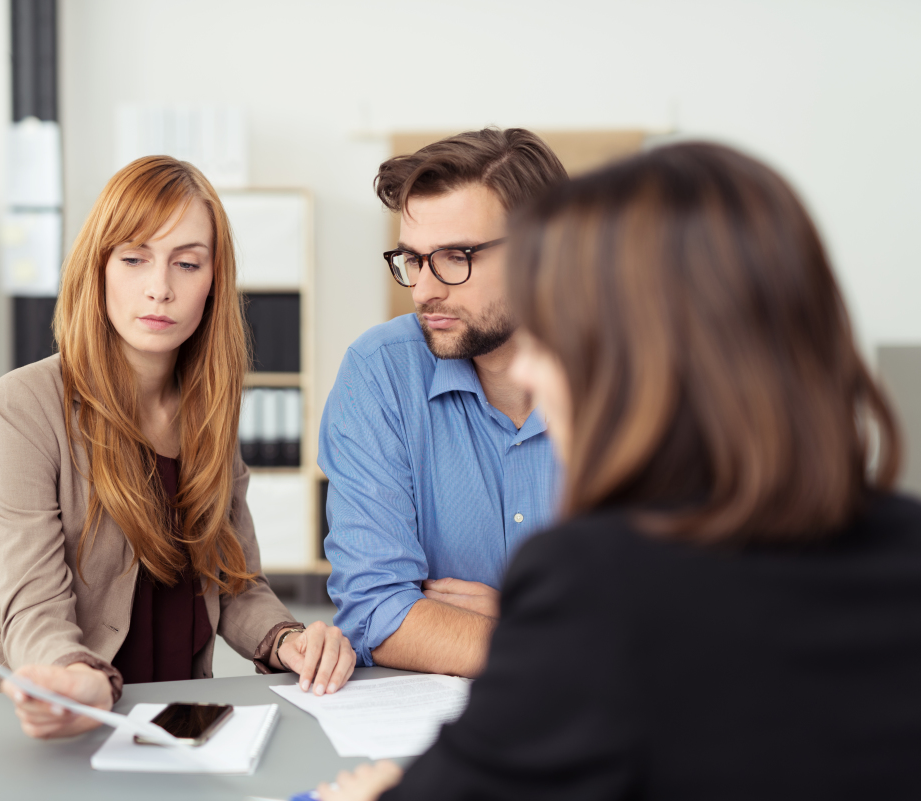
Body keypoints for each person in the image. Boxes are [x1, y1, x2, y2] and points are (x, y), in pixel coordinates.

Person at [315, 142, 921, 800]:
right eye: (411, 259)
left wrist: (543, 634)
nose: (534, 367)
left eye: (574, 325)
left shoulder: (599, 580)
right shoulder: (903, 545)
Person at [0, 156, 355, 738]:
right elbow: (32, 603)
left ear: (214, 281)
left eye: (187, 263)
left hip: (155, 717)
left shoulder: (208, 408)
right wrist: (71, 674)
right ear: (100, 269)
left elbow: (235, 584)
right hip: (6, 710)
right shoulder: (23, 404)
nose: (160, 288)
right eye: (134, 258)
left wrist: (289, 640)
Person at [320, 128, 568, 676]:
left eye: (456, 257)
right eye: (413, 259)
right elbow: (376, 611)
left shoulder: (640, 379)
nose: (425, 290)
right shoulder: (381, 372)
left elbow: (689, 611)